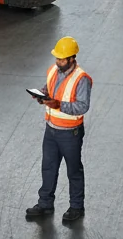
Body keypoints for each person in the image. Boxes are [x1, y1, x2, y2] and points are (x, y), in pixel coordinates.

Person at [26, 37, 93, 224]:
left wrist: (57, 105)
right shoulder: (53, 71)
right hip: (51, 131)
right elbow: (47, 88)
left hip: (70, 133)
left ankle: (76, 206)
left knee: (73, 170)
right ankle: (45, 203)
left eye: (62, 60)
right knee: (48, 168)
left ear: (72, 58)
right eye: (57, 58)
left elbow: (82, 106)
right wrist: (41, 96)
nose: (58, 62)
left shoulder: (81, 79)